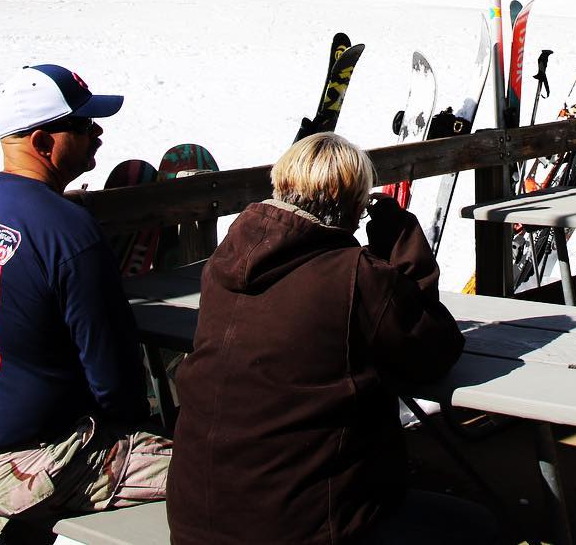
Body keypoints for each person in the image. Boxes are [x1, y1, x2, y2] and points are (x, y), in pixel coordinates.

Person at [167, 133, 495, 545]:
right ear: (355, 205)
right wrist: (403, 246)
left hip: (197, 520)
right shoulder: (355, 275)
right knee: (478, 526)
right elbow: (433, 351)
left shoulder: (226, 262)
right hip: (302, 529)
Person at [0, 65, 170, 536]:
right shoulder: (65, 232)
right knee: (221, 471)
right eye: (82, 125)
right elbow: (114, 375)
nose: (97, 133)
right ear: (43, 142)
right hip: (24, 462)